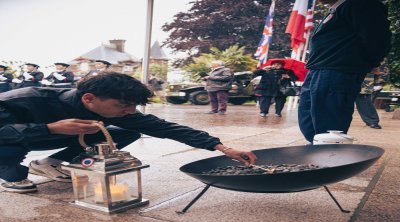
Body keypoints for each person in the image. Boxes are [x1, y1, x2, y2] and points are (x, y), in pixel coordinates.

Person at [0, 72, 257, 193]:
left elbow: (163, 127)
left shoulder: (111, 108)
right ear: (89, 98)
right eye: (124, 105)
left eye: (133, 106)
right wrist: (49, 128)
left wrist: (221, 148)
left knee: (123, 133)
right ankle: (11, 175)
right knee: (8, 148)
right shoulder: (25, 99)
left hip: (59, 135)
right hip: (16, 136)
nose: (129, 111)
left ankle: (49, 163)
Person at [298, 0, 391, 143]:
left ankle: (329, 159)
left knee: (329, 125)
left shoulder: (360, 4)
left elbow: (378, 38)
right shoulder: (338, 8)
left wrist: (373, 62)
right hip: (317, 70)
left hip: (337, 71)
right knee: (308, 119)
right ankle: (316, 152)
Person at [355, 62, 389, 129]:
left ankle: (372, 121)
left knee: (364, 100)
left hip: (364, 81)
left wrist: (380, 82)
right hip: (343, 77)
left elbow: (382, 65)